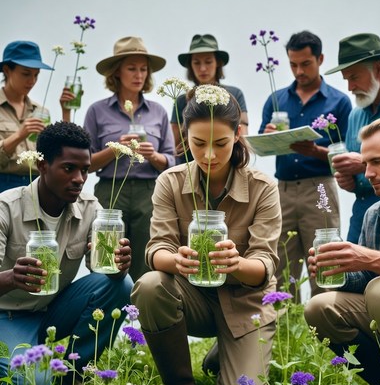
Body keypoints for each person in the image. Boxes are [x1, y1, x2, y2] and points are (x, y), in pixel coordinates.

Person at [131, 85, 281, 385]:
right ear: (185, 136)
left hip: (245, 303)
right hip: (193, 297)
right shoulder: (169, 182)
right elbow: (156, 249)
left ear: (238, 134)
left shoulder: (263, 187)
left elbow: (265, 265)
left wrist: (236, 263)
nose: (209, 154)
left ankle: (228, 352)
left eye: (221, 143)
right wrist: (177, 260)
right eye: (198, 143)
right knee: (149, 286)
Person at [0, 122, 133, 385]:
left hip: (53, 310)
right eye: (69, 168)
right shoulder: (6, 207)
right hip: (7, 315)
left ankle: (73, 369)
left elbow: (103, 270)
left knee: (123, 284)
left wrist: (117, 266)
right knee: (33, 383)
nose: (80, 179)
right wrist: (13, 278)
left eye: (85, 170)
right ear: (42, 166)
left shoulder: (89, 207)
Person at [304, 117, 380, 385]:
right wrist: (340, 271)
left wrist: (368, 258)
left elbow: (375, 273)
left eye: (378, 162)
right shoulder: (374, 214)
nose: (367, 173)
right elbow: (365, 277)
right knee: (319, 307)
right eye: (366, 163)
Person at [258, 31, 352, 300]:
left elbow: (348, 156)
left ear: (320, 59)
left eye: (305, 64)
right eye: (293, 64)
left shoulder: (339, 102)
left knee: (326, 264)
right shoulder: (276, 100)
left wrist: (316, 151)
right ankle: (282, 332)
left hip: (320, 186)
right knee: (279, 265)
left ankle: (327, 332)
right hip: (282, 190)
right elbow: (259, 146)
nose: (299, 71)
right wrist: (268, 137)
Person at [84, 36, 175, 282]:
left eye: (143, 69)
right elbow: (86, 163)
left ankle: (140, 316)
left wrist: (153, 156)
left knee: (146, 256)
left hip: (150, 192)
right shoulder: (96, 110)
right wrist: (115, 149)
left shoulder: (158, 111)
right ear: (117, 72)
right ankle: (103, 314)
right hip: (111, 190)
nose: (139, 75)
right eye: (132, 68)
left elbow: (172, 160)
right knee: (105, 257)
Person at [325, 33, 380, 244]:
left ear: (377, 68)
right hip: (363, 215)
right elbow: (358, 180)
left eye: (354, 77)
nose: (349, 87)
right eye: (346, 79)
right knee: (354, 275)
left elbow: (361, 164)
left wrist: (360, 163)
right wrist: (349, 181)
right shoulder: (355, 115)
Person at [0, 40, 75, 192]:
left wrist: (66, 112)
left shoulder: (41, 111)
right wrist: (20, 135)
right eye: (26, 74)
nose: (32, 81)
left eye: (36, 75)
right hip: (4, 184)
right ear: (7, 70)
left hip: (37, 186)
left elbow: (59, 152)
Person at [171, 34, 249, 163]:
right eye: (196, 62)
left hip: (228, 166)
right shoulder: (181, 100)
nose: (202, 68)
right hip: (190, 171)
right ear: (190, 65)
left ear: (218, 62)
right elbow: (174, 143)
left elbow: (243, 135)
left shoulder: (234, 94)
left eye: (208, 62)